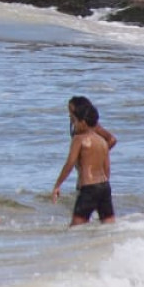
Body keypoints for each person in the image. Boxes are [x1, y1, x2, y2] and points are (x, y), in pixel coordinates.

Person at [52, 95, 119, 225]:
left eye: (73, 117)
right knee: (109, 226)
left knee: (75, 229)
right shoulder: (101, 142)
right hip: (104, 187)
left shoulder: (79, 138)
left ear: (82, 121)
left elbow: (70, 163)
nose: (70, 117)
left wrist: (57, 185)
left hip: (89, 188)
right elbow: (107, 166)